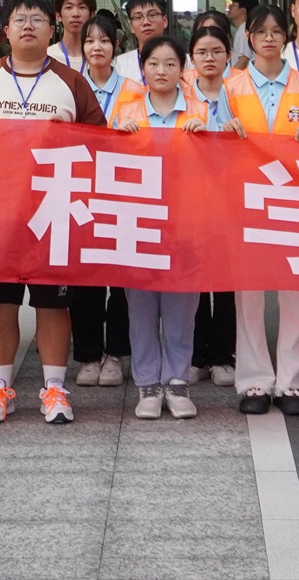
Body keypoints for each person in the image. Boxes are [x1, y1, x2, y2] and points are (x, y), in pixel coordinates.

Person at [0, 0, 107, 425]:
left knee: (52, 303)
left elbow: (101, 140)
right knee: (0, 301)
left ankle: (54, 388)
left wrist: (72, 135)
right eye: (20, 20)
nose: (28, 26)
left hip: (53, 209)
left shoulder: (71, 81)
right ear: (7, 32)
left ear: (51, 30)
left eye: (37, 20)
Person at [228, 5, 299, 417]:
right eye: (261, 31)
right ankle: (254, 381)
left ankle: (290, 382)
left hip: (295, 201)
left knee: (296, 293)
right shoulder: (231, 86)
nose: (269, 38)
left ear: (287, 36)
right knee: (248, 294)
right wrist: (224, 132)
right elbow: (215, 143)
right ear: (249, 37)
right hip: (247, 201)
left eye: (276, 31)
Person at [106, 35, 202, 420]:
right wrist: (119, 140)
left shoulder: (199, 110)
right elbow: (106, 166)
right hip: (138, 222)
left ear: (182, 69)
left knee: (182, 308)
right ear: (142, 68)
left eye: (170, 63)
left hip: (186, 223)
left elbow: (220, 167)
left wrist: (207, 138)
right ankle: (147, 383)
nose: (161, 71)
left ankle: (177, 382)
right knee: (141, 308)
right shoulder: (126, 110)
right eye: (153, 63)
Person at [72, 12, 138, 388]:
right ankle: (87, 355)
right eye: (90, 41)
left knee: (121, 278)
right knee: (85, 277)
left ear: (116, 46)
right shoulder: (70, 86)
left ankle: (115, 354)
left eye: (104, 41)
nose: (97, 47)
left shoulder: (134, 90)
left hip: (122, 193)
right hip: (80, 191)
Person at [182, 21, 240, 387]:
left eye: (216, 51)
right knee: (195, 281)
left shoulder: (241, 94)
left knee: (226, 281)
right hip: (190, 199)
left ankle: (223, 356)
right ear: (192, 58)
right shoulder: (181, 95)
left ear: (228, 56)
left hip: (232, 200)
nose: (209, 58)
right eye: (202, 52)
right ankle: (197, 355)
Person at [113, 0, 170, 82]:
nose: (146, 22)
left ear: (165, 21)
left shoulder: (185, 62)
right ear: (131, 26)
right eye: (138, 17)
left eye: (152, 15)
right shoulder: (118, 65)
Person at [49, 0, 96, 72]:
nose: (75, 14)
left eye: (82, 7)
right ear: (58, 16)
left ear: (92, 15)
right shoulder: (48, 57)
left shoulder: (99, 56)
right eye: (69, 7)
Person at [227, 0, 258, 66]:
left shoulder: (244, 31)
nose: (229, 7)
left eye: (233, 5)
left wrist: (231, 74)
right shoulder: (244, 29)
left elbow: (243, 61)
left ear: (243, 10)